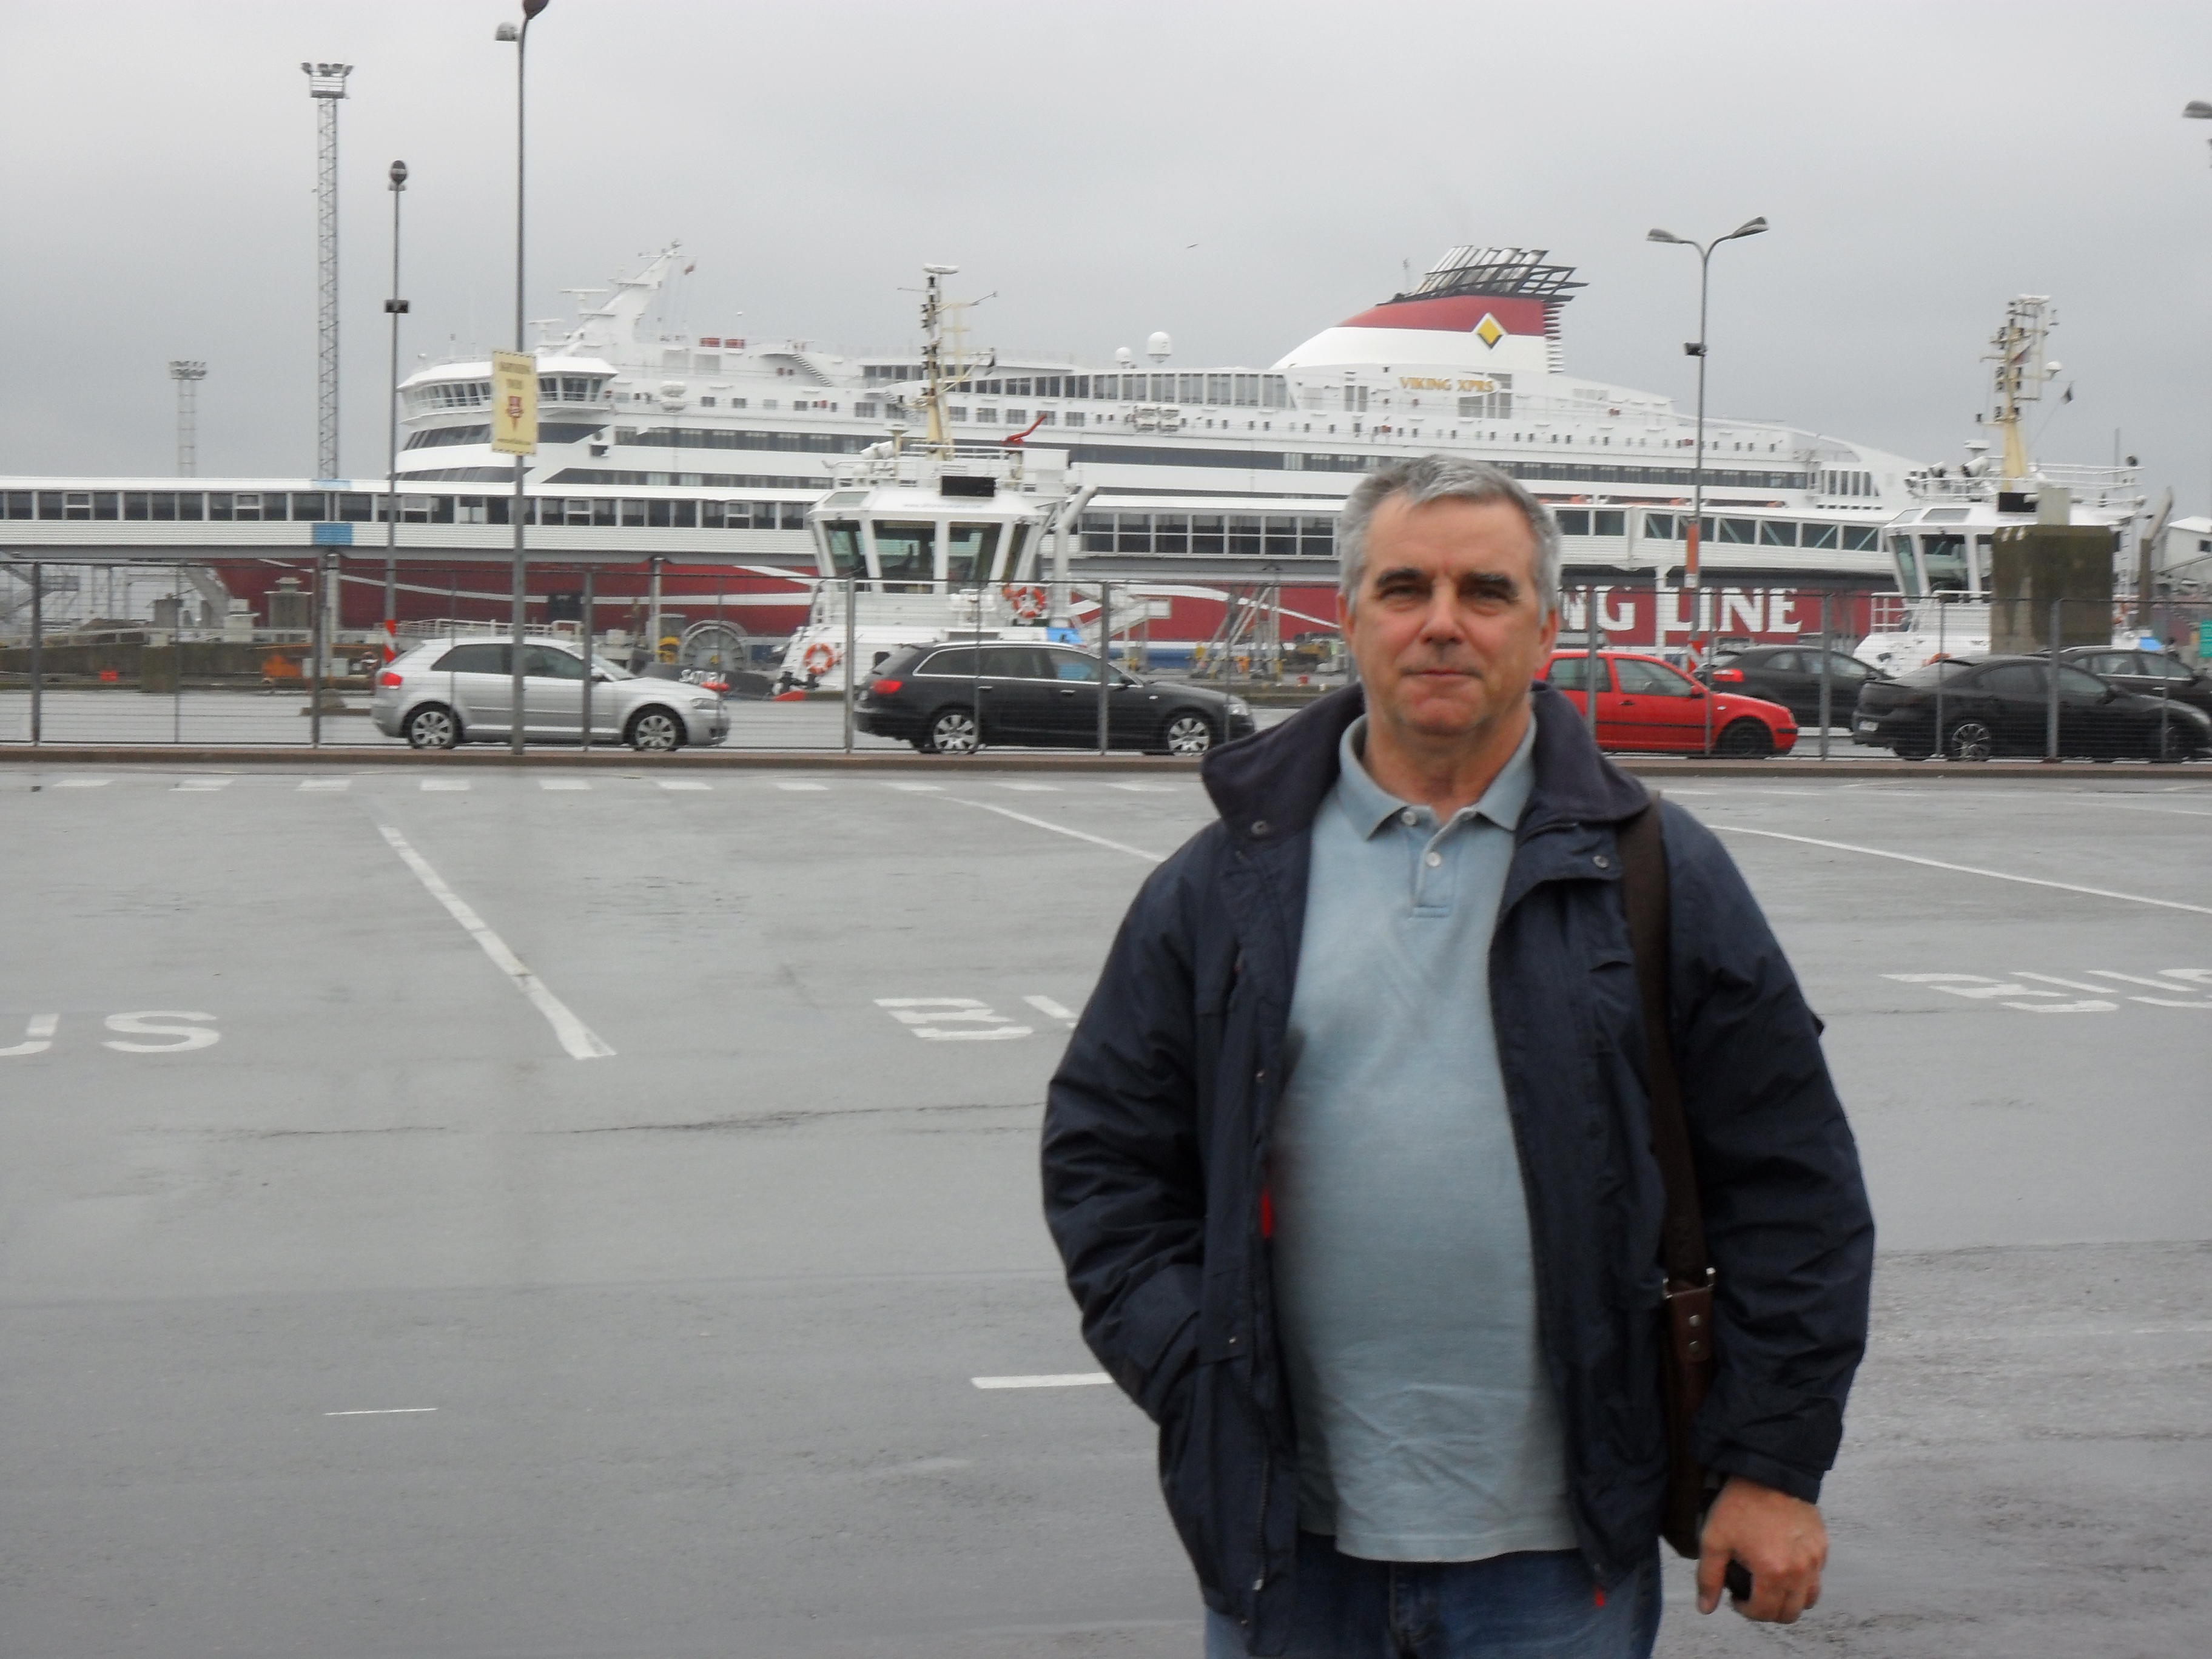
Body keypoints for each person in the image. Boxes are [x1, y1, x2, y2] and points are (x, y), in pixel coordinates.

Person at [1040, 456, 1874, 1657]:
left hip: (1556, 1558)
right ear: (1350, 619)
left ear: (1545, 629)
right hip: (1286, 1545)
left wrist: (1772, 1465)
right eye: (1404, 588)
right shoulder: (1227, 878)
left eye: (1486, 591)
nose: (1442, 623)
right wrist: (1195, 1362)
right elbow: (1104, 1155)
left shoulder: (1655, 872)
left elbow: (1794, 1186)